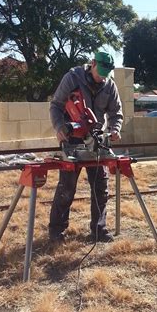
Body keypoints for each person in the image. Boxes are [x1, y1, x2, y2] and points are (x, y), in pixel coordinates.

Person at [48, 51, 123, 243]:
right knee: (67, 187)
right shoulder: (72, 78)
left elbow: (116, 113)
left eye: (107, 74)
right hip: (72, 137)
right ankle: (57, 231)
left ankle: (99, 229)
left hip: (96, 140)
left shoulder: (109, 85)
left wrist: (114, 129)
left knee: (100, 187)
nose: (102, 77)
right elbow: (56, 105)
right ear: (92, 64)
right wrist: (59, 128)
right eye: (101, 72)